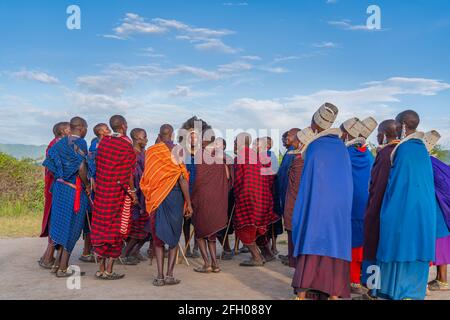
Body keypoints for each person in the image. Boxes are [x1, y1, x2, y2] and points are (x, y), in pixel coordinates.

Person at [291, 103, 353, 300]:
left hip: (317, 208)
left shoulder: (315, 147)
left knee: (311, 242)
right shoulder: (342, 148)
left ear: (314, 126)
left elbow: (309, 184)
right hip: (338, 210)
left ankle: (301, 295)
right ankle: (333, 294)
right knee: (334, 244)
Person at [377, 110, 436, 300]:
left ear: (402, 126)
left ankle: (396, 293)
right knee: (416, 251)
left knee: (399, 249)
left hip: (405, 212)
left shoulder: (404, 149)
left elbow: (396, 186)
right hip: (424, 213)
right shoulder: (422, 149)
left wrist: (385, 215)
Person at [140, 124, 193, 287]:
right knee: (174, 236)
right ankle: (170, 275)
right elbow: (182, 177)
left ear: (159, 134)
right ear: (172, 135)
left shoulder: (151, 151)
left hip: (156, 197)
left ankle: (160, 276)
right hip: (175, 197)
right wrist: (189, 203)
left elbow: (148, 177)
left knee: (158, 238)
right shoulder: (178, 150)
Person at [91, 115, 137, 280]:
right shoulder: (126, 144)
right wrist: (132, 192)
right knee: (117, 229)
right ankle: (109, 270)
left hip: (103, 193)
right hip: (118, 193)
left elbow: (98, 165)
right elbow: (129, 171)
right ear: (124, 126)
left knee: (101, 228)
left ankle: (100, 268)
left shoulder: (103, 142)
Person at [42, 117, 90, 277]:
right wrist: (87, 185)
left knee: (62, 225)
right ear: (82, 128)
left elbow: (51, 163)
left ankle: (57, 265)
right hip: (74, 191)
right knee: (73, 227)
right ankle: (63, 268)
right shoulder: (80, 143)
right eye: (86, 128)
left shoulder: (59, 144)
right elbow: (82, 166)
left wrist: (62, 176)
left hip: (59, 189)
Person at [362, 120, 400, 294]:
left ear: (384, 134)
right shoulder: (401, 151)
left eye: (378, 132)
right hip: (394, 211)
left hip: (378, 209)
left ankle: (372, 292)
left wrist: (371, 210)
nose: (377, 136)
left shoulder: (385, 154)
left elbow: (377, 185)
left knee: (373, 250)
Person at [341, 117, 376, 295]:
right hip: (367, 205)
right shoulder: (369, 154)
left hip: (349, 206)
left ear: (347, 135)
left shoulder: (345, 154)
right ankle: (365, 282)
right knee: (365, 244)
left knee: (350, 245)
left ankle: (352, 280)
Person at [233, 133, 279, 267]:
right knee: (258, 227)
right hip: (263, 198)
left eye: (235, 142)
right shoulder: (257, 156)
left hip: (248, 198)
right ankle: (268, 254)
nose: (234, 145)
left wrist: (238, 196)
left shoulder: (241, 157)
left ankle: (256, 258)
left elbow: (239, 181)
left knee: (244, 228)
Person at [191, 136, 231, 273]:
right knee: (211, 233)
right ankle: (215, 264)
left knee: (200, 233)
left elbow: (193, 178)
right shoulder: (220, 157)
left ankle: (207, 264)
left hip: (201, 199)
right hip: (217, 199)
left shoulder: (199, 154)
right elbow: (227, 177)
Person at [38, 122, 70, 269]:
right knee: (57, 222)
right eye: (70, 129)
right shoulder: (57, 146)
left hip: (54, 189)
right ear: (63, 131)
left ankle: (47, 256)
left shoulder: (55, 145)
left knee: (55, 222)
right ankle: (49, 257)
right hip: (57, 191)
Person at [79, 123, 111, 263]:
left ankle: (95, 250)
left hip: (102, 186)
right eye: (107, 129)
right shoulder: (95, 146)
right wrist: (92, 183)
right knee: (92, 218)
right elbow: (91, 166)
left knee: (97, 219)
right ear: (101, 133)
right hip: (96, 187)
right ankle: (87, 251)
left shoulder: (104, 144)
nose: (109, 130)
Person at [423, 130, 450, 292]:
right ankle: (443, 281)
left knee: (427, 245)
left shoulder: (424, 162)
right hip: (442, 208)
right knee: (442, 244)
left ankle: (423, 284)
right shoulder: (436, 162)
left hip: (432, 208)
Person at [121, 128, 150, 264]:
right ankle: (125, 254)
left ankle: (134, 251)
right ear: (137, 138)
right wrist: (134, 195)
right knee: (138, 226)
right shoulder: (132, 154)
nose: (146, 140)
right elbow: (129, 175)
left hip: (145, 194)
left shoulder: (143, 153)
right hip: (136, 195)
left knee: (148, 226)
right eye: (144, 137)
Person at [281, 127, 308, 267]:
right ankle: (292, 256)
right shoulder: (291, 153)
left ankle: (298, 260)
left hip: (297, 199)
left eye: (289, 136)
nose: (287, 139)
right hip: (288, 194)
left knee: (296, 228)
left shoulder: (302, 157)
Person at [215, 137, 235, 260]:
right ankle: (226, 249)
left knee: (223, 224)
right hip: (215, 194)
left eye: (218, 144)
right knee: (217, 223)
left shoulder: (226, 159)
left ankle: (227, 249)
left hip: (226, 194)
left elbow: (228, 176)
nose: (215, 145)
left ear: (223, 146)